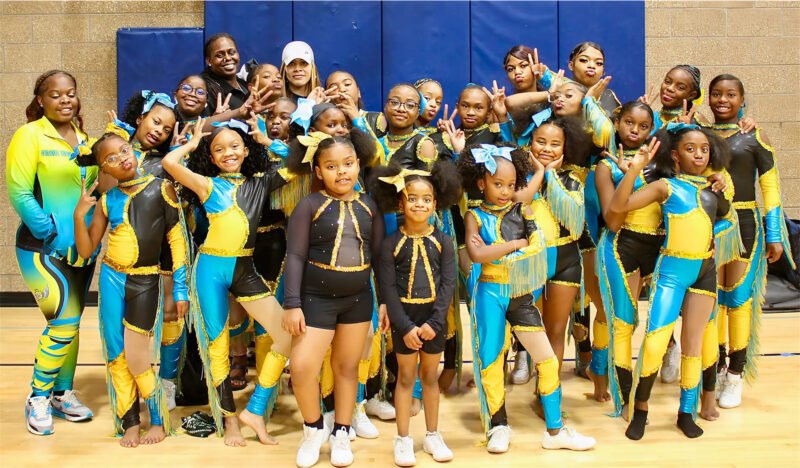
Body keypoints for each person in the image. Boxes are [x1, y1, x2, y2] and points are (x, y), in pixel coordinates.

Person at [162, 118, 294, 447]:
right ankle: (229, 419)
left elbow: (298, 161)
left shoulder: (261, 183)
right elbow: (169, 163)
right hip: (210, 270)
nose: (228, 153)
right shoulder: (207, 185)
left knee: (286, 335)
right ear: (211, 157)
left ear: (246, 150)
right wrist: (191, 145)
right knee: (217, 348)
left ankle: (256, 409)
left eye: (235, 146)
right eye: (219, 149)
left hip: (245, 268)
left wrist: (267, 140)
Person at [458, 142, 596, 453]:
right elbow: (477, 255)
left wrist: (499, 251)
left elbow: (537, 247)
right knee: (492, 361)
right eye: (498, 184)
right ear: (481, 183)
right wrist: (514, 245)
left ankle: (555, 430)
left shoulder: (524, 210)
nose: (505, 191)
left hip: (520, 295)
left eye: (511, 185)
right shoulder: (473, 215)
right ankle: (498, 426)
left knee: (547, 359)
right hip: (489, 294)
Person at [608, 124, 737, 440]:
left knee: (693, 344)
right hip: (671, 272)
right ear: (676, 156)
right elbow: (618, 207)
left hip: (704, 270)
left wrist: (720, 185)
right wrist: (634, 169)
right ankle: (640, 409)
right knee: (655, 340)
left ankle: (686, 412)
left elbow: (725, 219)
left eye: (704, 149)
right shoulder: (665, 187)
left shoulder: (713, 189)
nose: (699, 155)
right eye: (691, 149)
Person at [73, 133, 189, 447]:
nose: (122, 158)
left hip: (145, 280)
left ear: (133, 150)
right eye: (111, 158)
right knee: (116, 355)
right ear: (104, 169)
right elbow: (86, 250)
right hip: (111, 278)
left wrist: (180, 288)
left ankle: (159, 419)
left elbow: (176, 240)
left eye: (124, 150)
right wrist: (79, 214)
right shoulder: (108, 200)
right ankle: (130, 422)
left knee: (137, 358)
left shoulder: (161, 188)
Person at [7, 69, 101, 436]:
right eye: (56, 94)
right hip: (41, 248)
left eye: (70, 93)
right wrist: (50, 233)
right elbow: (19, 191)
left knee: (71, 325)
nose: (65, 100)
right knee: (63, 321)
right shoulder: (30, 135)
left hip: (83, 251)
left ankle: (62, 394)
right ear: (40, 100)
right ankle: (38, 397)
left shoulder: (86, 141)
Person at [282, 135, 384, 468]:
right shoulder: (309, 205)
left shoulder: (370, 205)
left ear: (358, 165)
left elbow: (379, 257)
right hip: (316, 299)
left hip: (358, 300)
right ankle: (313, 429)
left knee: (347, 367)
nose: (341, 172)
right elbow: (295, 256)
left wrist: (384, 301)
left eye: (348, 164)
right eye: (331, 166)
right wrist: (292, 303)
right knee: (302, 368)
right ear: (318, 171)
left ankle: (341, 430)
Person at [707, 74, 795, 409]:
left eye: (730, 94)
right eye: (716, 94)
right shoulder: (699, 135)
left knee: (738, 299)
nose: (723, 100)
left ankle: (736, 374)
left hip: (744, 225)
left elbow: (770, 189)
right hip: (707, 224)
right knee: (710, 299)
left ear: (742, 99)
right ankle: (714, 366)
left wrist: (775, 234)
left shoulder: (756, 136)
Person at [369, 160, 461, 466]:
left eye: (426, 199)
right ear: (400, 203)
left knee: (430, 378)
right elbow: (388, 289)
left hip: (434, 320)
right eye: (412, 198)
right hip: (404, 320)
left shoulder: (443, 241)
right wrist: (406, 327)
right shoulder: (390, 244)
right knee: (406, 378)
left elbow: (447, 285)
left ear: (435, 203)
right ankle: (403, 438)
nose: (419, 204)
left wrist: (435, 322)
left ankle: (433, 434)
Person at [201, 33, 250, 114]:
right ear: (208, 61)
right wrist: (217, 118)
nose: (227, 58)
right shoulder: (204, 88)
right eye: (219, 55)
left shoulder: (244, 83)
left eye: (232, 53)